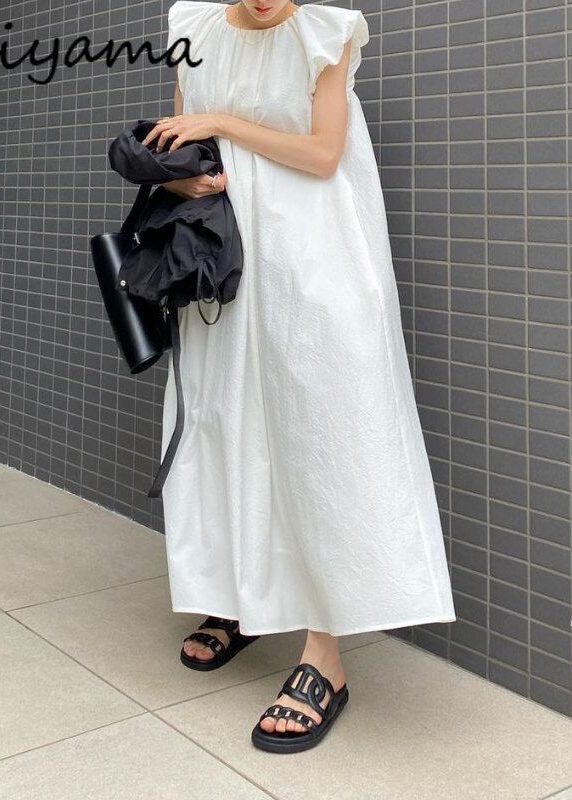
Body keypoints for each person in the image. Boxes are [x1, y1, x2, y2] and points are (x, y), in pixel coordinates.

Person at [143, 0, 456, 753]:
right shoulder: (192, 28)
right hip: (224, 260)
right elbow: (185, 143)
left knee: (321, 438)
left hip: (314, 254)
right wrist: (183, 179)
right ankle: (238, 599)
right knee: (223, 424)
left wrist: (222, 122)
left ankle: (325, 654)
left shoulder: (326, 32)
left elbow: (322, 153)